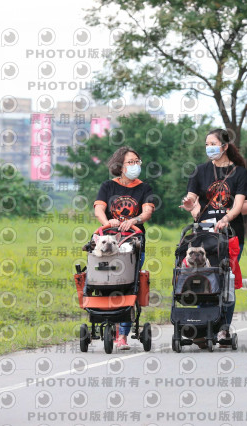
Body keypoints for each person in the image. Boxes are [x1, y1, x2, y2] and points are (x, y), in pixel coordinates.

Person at [180, 128, 247, 344]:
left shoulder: (239, 173)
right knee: (204, 279)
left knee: (225, 281)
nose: (208, 148)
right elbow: (192, 201)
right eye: (206, 144)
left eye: (212, 143)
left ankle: (223, 328)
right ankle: (203, 326)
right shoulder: (200, 171)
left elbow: (239, 204)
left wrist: (226, 219)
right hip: (204, 236)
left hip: (229, 235)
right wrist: (190, 206)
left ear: (224, 146)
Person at [94, 146, 155, 350]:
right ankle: (107, 321)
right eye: (130, 162)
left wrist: (133, 220)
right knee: (105, 282)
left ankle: (122, 334)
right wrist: (107, 222)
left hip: (133, 243)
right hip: (108, 242)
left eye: (137, 162)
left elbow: (147, 212)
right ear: (120, 166)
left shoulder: (144, 188)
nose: (135, 165)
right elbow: (99, 209)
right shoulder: (107, 186)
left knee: (129, 284)